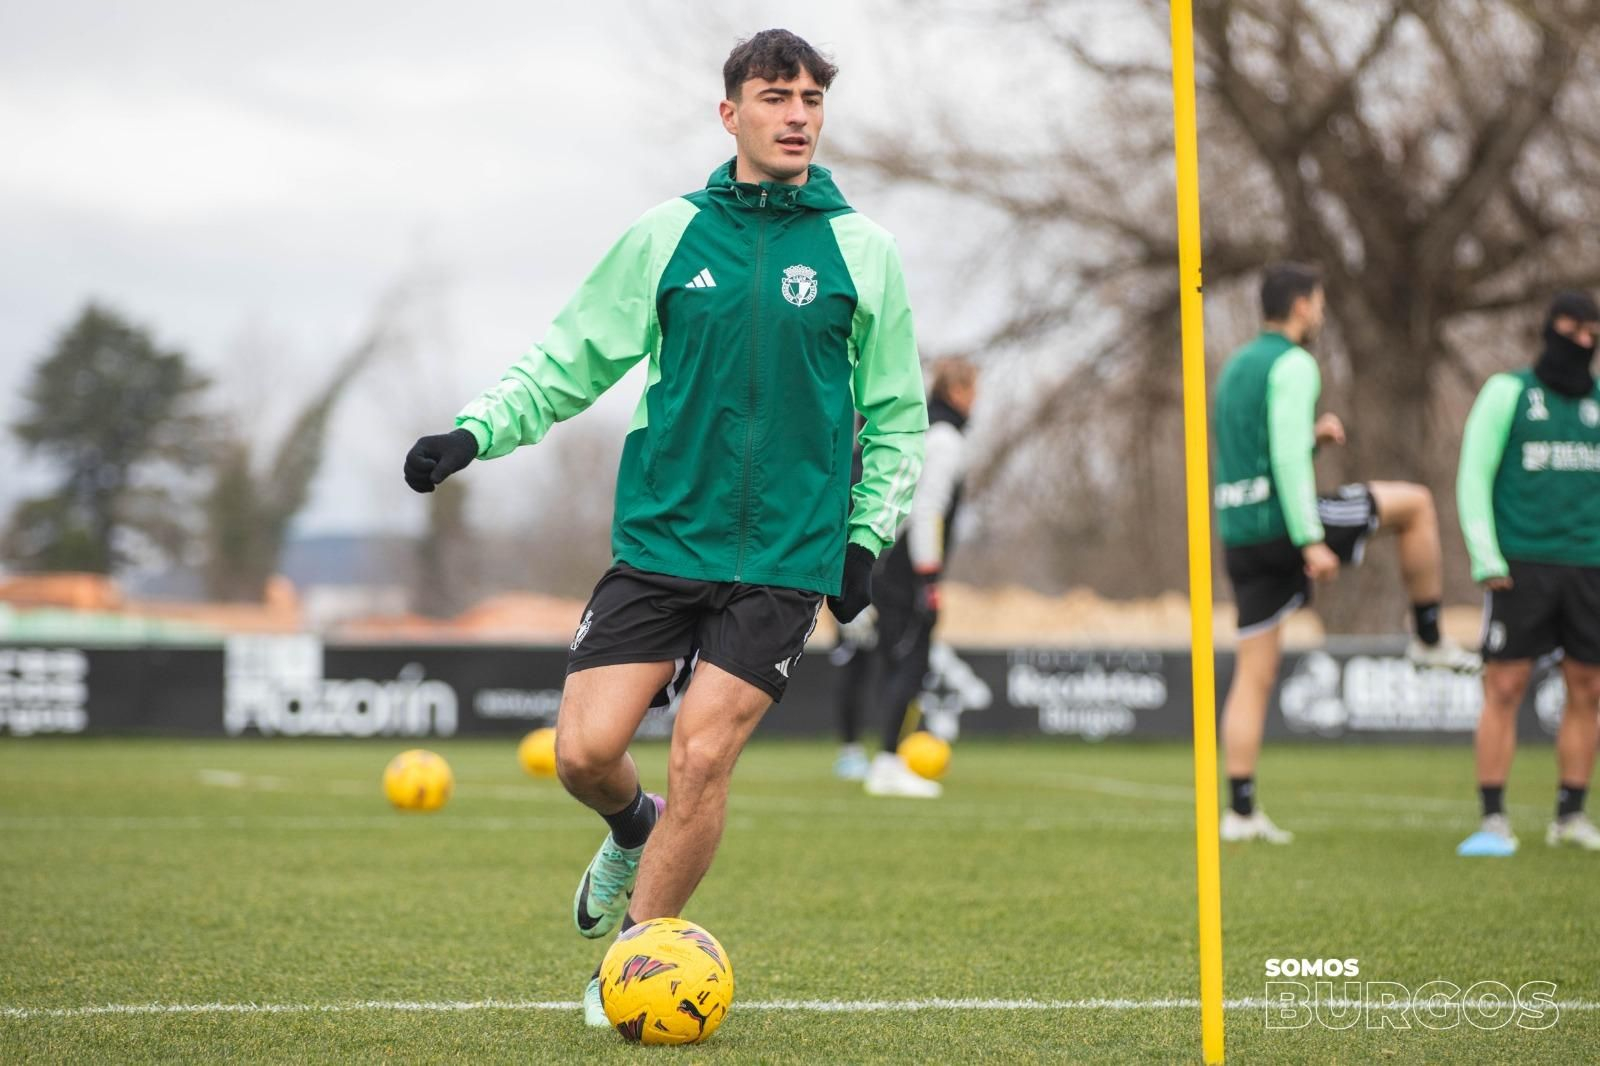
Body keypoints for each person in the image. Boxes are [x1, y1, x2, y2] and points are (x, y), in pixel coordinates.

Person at [402, 29, 927, 1025]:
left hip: (783, 558)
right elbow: (570, 356)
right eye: (777, 97)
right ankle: (627, 825)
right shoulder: (665, 235)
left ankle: (634, 968)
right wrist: (475, 431)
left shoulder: (865, 252)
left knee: (699, 757)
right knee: (584, 753)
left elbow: (898, 417)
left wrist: (864, 537)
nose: (799, 115)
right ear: (730, 114)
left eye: (812, 98)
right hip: (660, 541)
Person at [1213, 262, 1478, 844]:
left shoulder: (1236, 367)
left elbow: (1257, 449)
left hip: (1238, 532)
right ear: (1302, 305)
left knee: (1253, 676)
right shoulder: (1294, 363)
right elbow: (1282, 457)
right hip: (1284, 523)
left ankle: (1238, 811)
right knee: (1415, 505)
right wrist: (1309, 538)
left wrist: (1313, 439)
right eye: (1321, 302)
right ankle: (1430, 636)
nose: (1323, 313)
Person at [1455, 291, 1600, 857]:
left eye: (1593, 334)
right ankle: (1493, 819)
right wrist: (1485, 554)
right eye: (1574, 330)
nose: (1583, 342)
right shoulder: (1507, 392)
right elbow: (1474, 473)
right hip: (1520, 567)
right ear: (1551, 328)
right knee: (1505, 687)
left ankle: (1572, 815)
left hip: (1589, 566)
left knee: (1587, 690)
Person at [858, 357, 978, 798]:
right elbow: (928, 509)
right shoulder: (946, 440)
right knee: (910, 662)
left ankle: (892, 757)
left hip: (896, 565)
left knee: (901, 663)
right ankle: (889, 762)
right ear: (959, 391)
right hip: (909, 568)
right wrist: (929, 579)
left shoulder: (931, 432)